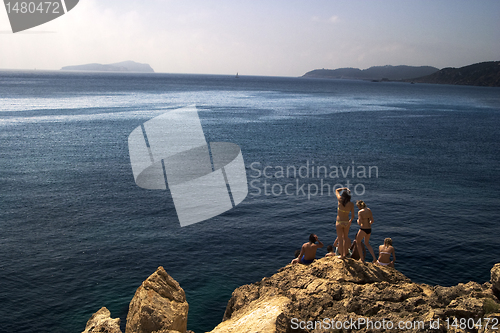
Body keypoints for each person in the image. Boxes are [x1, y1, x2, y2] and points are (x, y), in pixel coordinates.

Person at [335, 187, 354, 259]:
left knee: (340, 239)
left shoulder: (339, 200)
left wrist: (344, 188)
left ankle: (341, 255)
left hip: (339, 222)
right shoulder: (351, 204)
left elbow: (336, 190)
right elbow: (353, 216)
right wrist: (350, 221)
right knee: (345, 238)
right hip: (346, 222)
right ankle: (344, 255)